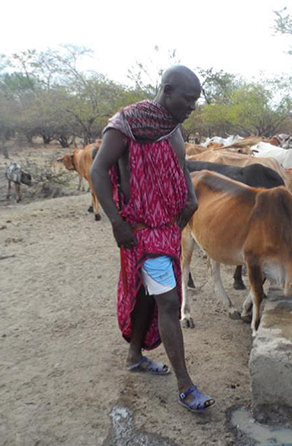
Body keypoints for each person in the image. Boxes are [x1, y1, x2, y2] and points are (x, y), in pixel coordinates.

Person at [90, 65, 214, 412]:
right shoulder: (127, 124)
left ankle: (134, 357)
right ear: (168, 89)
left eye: (196, 101)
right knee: (170, 303)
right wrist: (116, 221)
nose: (192, 107)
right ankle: (186, 387)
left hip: (168, 228)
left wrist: (190, 198)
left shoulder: (172, 128)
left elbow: (180, 166)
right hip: (142, 231)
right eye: (188, 100)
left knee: (150, 294)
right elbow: (97, 170)